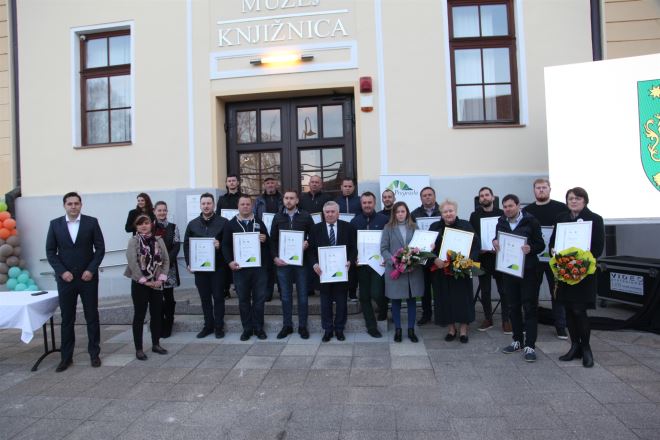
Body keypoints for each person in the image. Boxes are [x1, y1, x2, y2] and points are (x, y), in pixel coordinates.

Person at [46, 191, 105, 372]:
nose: (73, 206)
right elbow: (50, 251)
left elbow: (100, 248)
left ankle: (94, 354)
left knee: (92, 316)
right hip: (66, 280)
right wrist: (62, 272)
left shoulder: (91, 222)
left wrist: (91, 269)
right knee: (67, 319)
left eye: (76, 203)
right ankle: (66, 357)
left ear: (81, 205)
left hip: (88, 278)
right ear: (64, 205)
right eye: (70, 204)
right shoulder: (55, 224)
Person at [550, 187, 604, 368]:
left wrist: (579, 262)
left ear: (585, 201)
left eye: (577, 198)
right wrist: (553, 251)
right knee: (568, 310)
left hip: (583, 274)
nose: (573, 201)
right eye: (570, 198)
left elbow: (598, 248)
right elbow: (553, 242)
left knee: (579, 310)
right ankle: (574, 346)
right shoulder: (561, 219)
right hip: (565, 272)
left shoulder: (595, 219)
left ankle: (586, 348)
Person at [494, 194, 545, 362]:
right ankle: (517, 340)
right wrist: (495, 242)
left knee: (529, 307)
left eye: (511, 206)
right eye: (505, 207)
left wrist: (531, 248)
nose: (508, 209)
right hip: (509, 270)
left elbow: (540, 244)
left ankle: (530, 345)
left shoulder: (531, 221)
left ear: (518, 206)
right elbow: (497, 239)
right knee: (513, 307)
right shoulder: (501, 221)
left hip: (528, 271)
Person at [523, 178, 570, 339]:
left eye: (544, 187)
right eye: (538, 188)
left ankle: (561, 325)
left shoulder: (561, 208)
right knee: (531, 293)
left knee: (557, 293)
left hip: (555, 258)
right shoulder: (527, 211)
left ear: (550, 189)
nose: (541, 190)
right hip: (534, 258)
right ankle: (529, 323)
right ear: (534, 190)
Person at [430, 200, 480, 343]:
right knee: (445, 299)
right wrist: (434, 258)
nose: (448, 214)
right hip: (441, 271)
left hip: (461, 270)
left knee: (462, 300)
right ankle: (451, 329)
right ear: (441, 214)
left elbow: (476, 245)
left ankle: (463, 330)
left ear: (456, 211)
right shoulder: (435, 227)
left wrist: (468, 261)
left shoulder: (466, 225)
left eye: (451, 211)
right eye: (445, 212)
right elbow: (427, 249)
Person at [222, 195, 270, 341]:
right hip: (240, 269)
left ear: (251, 206)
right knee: (243, 300)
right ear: (238, 206)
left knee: (259, 300)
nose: (245, 206)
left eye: (248, 204)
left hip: (258, 269)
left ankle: (259, 328)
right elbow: (225, 245)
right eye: (242, 204)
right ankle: (247, 329)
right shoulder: (230, 224)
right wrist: (230, 262)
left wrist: (265, 239)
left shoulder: (259, 222)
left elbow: (269, 243)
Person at [270, 189, 314, 340]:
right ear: (283, 200)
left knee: (302, 296)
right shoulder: (277, 217)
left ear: (297, 200)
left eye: (291, 198)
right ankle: (287, 325)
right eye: (286, 198)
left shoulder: (305, 216)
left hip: (301, 262)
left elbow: (314, 235)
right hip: (283, 263)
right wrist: (275, 257)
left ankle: (302, 326)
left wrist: (308, 242)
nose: (288, 201)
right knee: (286, 296)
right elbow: (272, 240)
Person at [309, 201, 356, 342]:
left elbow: (354, 248)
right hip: (323, 273)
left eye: (332, 211)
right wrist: (314, 263)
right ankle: (328, 330)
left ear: (338, 213)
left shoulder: (348, 227)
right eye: (327, 212)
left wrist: (350, 260)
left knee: (341, 303)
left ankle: (340, 329)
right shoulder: (315, 229)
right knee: (325, 303)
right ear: (323, 214)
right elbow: (310, 250)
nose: (330, 214)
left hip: (342, 272)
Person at [124, 215, 170, 360]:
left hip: (157, 282)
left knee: (156, 314)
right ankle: (139, 349)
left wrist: (161, 278)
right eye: (140, 224)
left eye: (146, 223)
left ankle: (156, 344)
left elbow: (166, 260)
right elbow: (132, 262)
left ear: (151, 224)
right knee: (139, 315)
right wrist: (144, 281)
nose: (143, 226)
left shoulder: (158, 240)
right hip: (140, 284)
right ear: (136, 227)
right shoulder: (133, 241)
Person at [183, 192, 228, 339]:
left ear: (213, 205)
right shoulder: (193, 224)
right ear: (200, 205)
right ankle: (208, 325)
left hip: (218, 268)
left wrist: (220, 245)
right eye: (203, 203)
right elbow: (187, 245)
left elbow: (229, 244)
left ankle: (219, 326)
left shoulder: (223, 222)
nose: (206, 206)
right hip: (200, 269)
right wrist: (189, 263)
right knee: (205, 298)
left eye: (209, 203)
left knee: (218, 297)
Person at [468, 186, 510, 334]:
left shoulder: (502, 213)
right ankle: (488, 318)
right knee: (485, 291)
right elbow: (472, 236)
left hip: (499, 257)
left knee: (503, 290)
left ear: (493, 197)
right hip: (483, 257)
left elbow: (507, 233)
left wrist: (500, 245)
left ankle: (506, 320)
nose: (484, 198)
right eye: (482, 196)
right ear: (479, 199)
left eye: (487, 195)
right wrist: (479, 248)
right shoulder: (474, 215)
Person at [380, 201, 424, 343]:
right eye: (397, 212)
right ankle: (398, 330)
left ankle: (411, 330)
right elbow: (384, 249)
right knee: (396, 300)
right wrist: (394, 260)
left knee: (411, 300)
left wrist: (416, 256)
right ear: (394, 213)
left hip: (412, 270)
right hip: (395, 269)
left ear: (407, 213)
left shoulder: (414, 227)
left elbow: (420, 246)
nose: (400, 214)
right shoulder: (388, 228)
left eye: (403, 211)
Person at [350, 192, 389, 337]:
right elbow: (352, 243)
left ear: (375, 203)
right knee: (364, 296)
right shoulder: (355, 221)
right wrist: (354, 258)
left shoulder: (384, 220)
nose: (367, 205)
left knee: (377, 293)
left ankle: (383, 308)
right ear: (361, 204)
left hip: (379, 264)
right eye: (364, 203)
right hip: (362, 264)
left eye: (369, 202)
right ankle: (371, 326)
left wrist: (387, 257)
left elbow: (389, 240)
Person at [411, 186, 441, 325]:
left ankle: (440, 314)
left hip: (438, 256)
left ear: (434, 196)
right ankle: (426, 314)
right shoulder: (414, 214)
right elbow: (412, 233)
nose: (427, 197)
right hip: (422, 256)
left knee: (439, 287)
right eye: (424, 195)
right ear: (421, 198)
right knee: (425, 288)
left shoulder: (442, 211)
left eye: (430, 194)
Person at [299, 175, 332, 296]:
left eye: (317, 182)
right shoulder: (302, 198)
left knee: (322, 258)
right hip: (306, 231)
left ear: (321, 185)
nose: (314, 184)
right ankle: (309, 288)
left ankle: (323, 285)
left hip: (322, 231)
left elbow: (330, 213)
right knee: (309, 258)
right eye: (312, 182)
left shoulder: (327, 198)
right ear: (309, 184)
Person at [153, 201, 180, 338]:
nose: (162, 213)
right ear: (154, 211)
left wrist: (166, 261)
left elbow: (176, 245)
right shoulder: (149, 227)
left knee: (169, 297)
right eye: (159, 210)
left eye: (164, 210)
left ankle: (169, 322)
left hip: (169, 268)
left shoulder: (173, 227)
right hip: (153, 269)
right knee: (156, 298)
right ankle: (159, 323)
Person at [254, 177, 283, 302]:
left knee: (281, 265)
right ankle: (267, 292)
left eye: (272, 183)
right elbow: (255, 217)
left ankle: (283, 291)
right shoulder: (259, 200)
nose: (270, 185)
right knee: (267, 266)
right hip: (264, 236)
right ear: (264, 185)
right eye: (267, 183)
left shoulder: (282, 199)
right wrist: (258, 233)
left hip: (280, 236)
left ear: (276, 184)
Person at [217, 174, 243, 299]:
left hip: (240, 232)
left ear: (238, 183)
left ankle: (240, 288)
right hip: (225, 233)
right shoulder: (222, 199)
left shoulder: (242, 198)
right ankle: (225, 289)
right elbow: (218, 217)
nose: (231, 183)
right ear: (226, 183)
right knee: (225, 262)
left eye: (234, 180)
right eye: (229, 181)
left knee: (239, 260)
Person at [335, 178, 361, 301]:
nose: (347, 188)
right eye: (345, 186)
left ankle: (352, 292)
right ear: (341, 187)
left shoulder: (359, 200)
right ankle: (339, 292)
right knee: (339, 263)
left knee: (352, 263)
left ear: (353, 187)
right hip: (340, 235)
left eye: (350, 186)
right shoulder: (336, 201)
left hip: (355, 234)